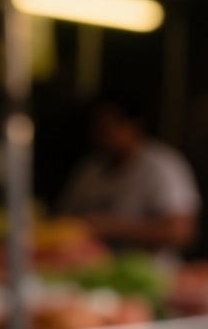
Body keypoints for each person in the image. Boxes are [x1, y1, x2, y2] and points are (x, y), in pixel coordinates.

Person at [59, 99, 200, 255]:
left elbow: (181, 231)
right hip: (89, 269)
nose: (99, 136)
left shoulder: (163, 166)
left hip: (153, 272)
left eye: (106, 128)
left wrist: (110, 227)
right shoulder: (91, 168)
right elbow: (62, 219)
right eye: (95, 129)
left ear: (134, 127)